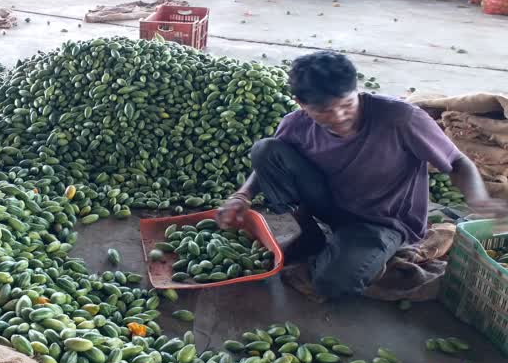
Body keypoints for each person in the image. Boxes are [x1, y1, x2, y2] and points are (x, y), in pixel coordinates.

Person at [217, 51, 508, 299]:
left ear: (358, 91)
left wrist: (478, 197)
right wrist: (242, 195)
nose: (340, 116)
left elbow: (457, 162)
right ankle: (310, 235)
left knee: (332, 282)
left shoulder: (400, 118)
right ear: (301, 104)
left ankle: (360, 252)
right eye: (325, 111)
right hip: (329, 205)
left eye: (347, 105)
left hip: (383, 220)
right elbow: (268, 163)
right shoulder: (296, 124)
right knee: (266, 149)